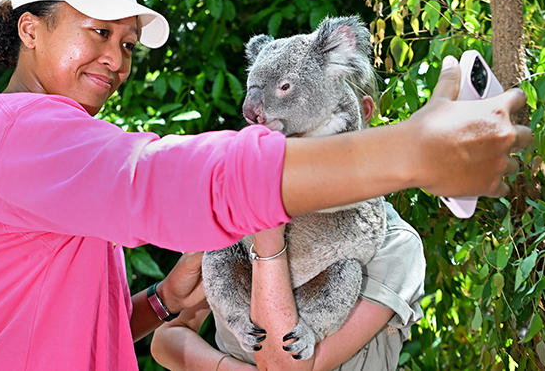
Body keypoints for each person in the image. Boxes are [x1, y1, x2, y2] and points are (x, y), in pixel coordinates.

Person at [0, 0, 532, 371]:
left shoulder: (34, 143)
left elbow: (45, 327)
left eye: (127, 43)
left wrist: (159, 304)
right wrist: (410, 152)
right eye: (99, 32)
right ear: (31, 30)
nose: (118, 59)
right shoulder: (17, 132)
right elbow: (173, 179)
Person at [151, 94, 426, 371]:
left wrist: (268, 241)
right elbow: (167, 337)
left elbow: (287, 367)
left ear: (361, 111)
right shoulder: (240, 209)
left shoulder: (394, 242)